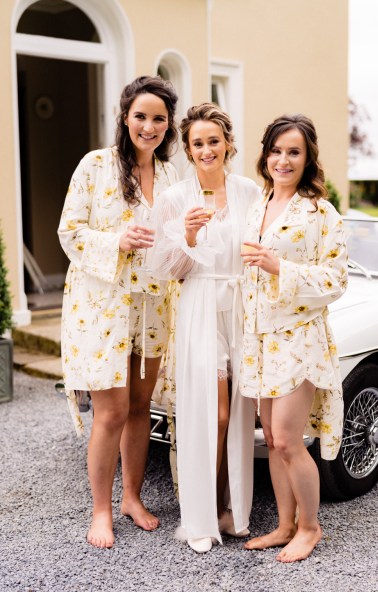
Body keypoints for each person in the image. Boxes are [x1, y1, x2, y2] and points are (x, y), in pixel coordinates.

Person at [58, 75, 179, 548]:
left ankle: (132, 496)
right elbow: (69, 232)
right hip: (102, 305)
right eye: (141, 116)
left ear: (168, 125)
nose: (148, 127)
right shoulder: (95, 166)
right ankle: (101, 511)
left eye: (159, 119)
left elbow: (173, 246)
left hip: (153, 306)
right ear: (124, 117)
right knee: (108, 412)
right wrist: (117, 241)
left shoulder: (171, 177)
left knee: (138, 408)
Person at [151, 103, 261, 553]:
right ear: (188, 150)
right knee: (210, 412)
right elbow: (164, 268)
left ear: (228, 143)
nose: (206, 149)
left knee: (240, 412)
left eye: (213, 140)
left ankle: (232, 507)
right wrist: (190, 238)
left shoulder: (251, 192)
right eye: (197, 143)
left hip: (240, 306)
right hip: (199, 307)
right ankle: (201, 514)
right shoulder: (175, 199)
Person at [240, 114, 348, 562]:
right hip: (259, 338)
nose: (283, 160)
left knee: (286, 439)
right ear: (266, 154)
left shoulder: (321, 212)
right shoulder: (257, 204)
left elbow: (337, 279)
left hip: (300, 338)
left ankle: (310, 526)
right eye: (276, 150)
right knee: (272, 439)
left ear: (308, 158)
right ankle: (284, 525)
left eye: (294, 152)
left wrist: (279, 266)